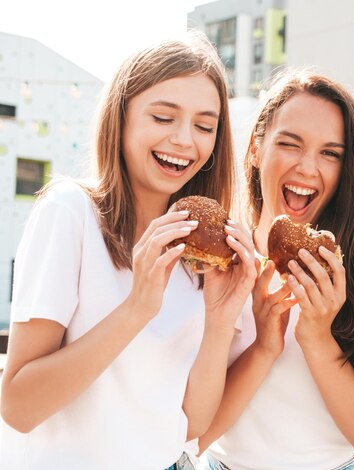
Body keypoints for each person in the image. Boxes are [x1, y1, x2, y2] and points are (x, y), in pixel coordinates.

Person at [0, 32, 256, 470]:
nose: (184, 140)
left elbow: (190, 425)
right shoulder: (71, 213)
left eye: (204, 125)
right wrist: (137, 308)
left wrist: (219, 320)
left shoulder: (202, 256)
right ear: (121, 118)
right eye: (163, 117)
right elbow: (19, 407)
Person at [197, 70, 354, 469]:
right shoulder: (215, 263)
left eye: (330, 153)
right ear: (255, 148)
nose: (307, 167)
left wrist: (317, 338)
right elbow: (194, 433)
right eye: (290, 143)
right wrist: (264, 347)